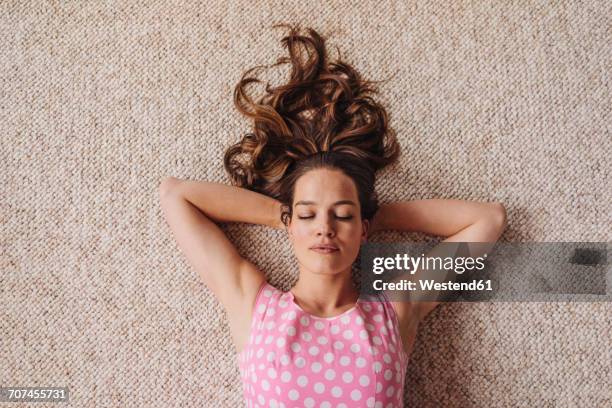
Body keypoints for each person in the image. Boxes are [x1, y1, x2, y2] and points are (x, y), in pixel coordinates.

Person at [159, 24, 507, 408]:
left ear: (361, 230)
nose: (324, 228)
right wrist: (286, 215)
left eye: (341, 215)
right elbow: (177, 196)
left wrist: (375, 216)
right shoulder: (252, 305)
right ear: (291, 225)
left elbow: (487, 219)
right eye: (309, 216)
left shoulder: (396, 310)